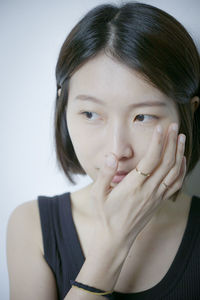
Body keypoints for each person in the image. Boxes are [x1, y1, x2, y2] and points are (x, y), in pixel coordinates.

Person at [6, 2, 200, 300]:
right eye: (91, 114)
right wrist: (114, 240)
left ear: (188, 114)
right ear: (64, 107)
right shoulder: (31, 226)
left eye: (143, 117)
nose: (117, 150)